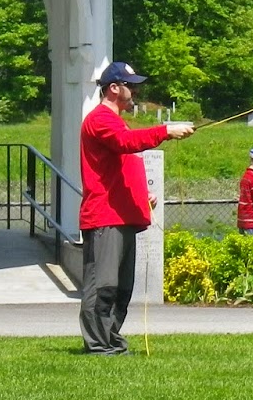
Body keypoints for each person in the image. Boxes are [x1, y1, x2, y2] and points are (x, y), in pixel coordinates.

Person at [79, 61, 194, 355]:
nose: (135, 91)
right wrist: (165, 130)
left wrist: (143, 195)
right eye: (130, 85)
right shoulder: (100, 119)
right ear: (114, 88)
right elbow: (126, 143)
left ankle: (112, 342)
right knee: (103, 286)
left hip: (123, 216)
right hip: (105, 217)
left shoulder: (117, 122)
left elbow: (120, 165)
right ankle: (99, 346)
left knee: (121, 288)